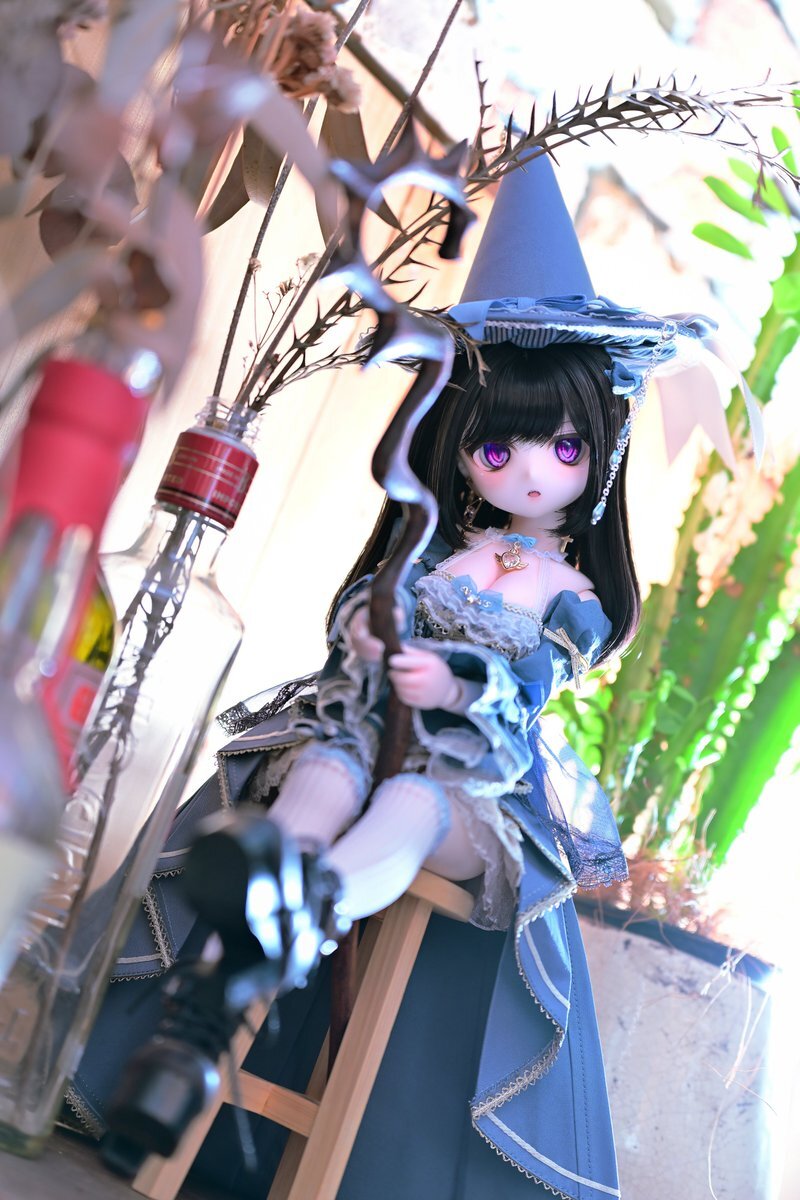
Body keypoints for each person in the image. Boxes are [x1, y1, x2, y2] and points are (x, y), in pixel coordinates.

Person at [74, 155, 743, 1198]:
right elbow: (358, 621)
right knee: (319, 772)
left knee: (413, 802)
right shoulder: (436, 550)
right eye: (499, 449)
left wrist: (458, 689)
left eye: (561, 448)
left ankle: (302, 917)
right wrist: (374, 642)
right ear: (459, 447)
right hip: (364, 726)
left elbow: (531, 690)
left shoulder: (568, 590)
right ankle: (265, 896)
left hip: (476, 782)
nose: (531, 470)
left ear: (597, 454)